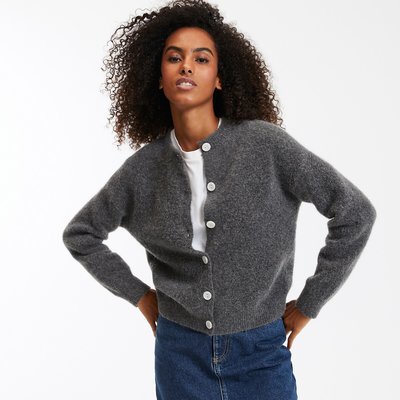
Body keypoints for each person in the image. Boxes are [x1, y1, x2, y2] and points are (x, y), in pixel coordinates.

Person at [62, 1, 377, 399]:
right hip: (179, 354)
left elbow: (355, 214)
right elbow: (81, 234)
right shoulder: (143, 170)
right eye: (174, 58)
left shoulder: (265, 146)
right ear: (158, 79)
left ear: (220, 79)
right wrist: (140, 297)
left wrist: (310, 303)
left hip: (261, 352)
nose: (186, 67)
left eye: (201, 59)